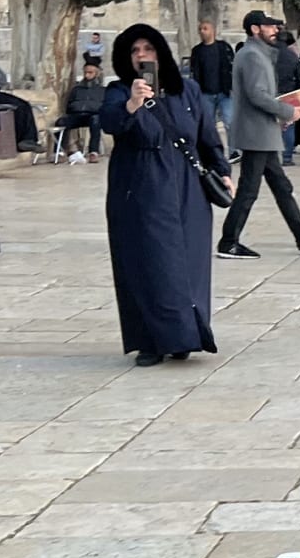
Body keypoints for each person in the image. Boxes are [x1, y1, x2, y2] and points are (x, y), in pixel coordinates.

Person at [100, 24, 233, 367]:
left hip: (187, 188)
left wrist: (223, 171)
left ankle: (185, 335)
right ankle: (151, 341)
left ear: (161, 53)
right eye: (134, 51)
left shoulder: (188, 91)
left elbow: (205, 136)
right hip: (141, 187)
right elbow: (109, 122)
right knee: (149, 263)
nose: (141, 56)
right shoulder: (119, 92)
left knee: (188, 266)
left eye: (148, 49)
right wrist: (133, 102)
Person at [216, 11, 300, 260]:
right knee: (249, 189)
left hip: (263, 131)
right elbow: (257, 95)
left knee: (281, 186)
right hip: (256, 133)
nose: (275, 31)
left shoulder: (259, 54)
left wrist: (278, 117)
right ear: (255, 29)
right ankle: (228, 241)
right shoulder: (252, 55)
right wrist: (287, 111)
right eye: (270, 27)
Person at [188, 20, 235, 156]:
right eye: (200, 29)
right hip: (205, 93)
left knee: (229, 122)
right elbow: (194, 73)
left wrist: (232, 86)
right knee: (207, 126)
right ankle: (212, 152)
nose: (202, 31)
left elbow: (232, 67)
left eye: (205, 28)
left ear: (213, 30)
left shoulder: (223, 47)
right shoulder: (197, 51)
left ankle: (233, 151)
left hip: (224, 92)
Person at [54, 59, 108, 161]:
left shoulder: (102, 90)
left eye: (90, 72)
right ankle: (59, 152)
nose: (87, 75)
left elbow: (105, 107)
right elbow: (69, 105)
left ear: (96, 74)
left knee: (96, 121)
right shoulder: (76, 89)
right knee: (61, 121)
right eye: (85, 72)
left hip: (92, 116)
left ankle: (93, 152)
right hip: (77, 116)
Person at [273, 31, 300, 166]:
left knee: (270, 125)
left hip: (271, 92)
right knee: (288, 125)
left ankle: (272, 155)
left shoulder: (267, 54)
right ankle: (287, 156)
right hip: (289, 94)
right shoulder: (292, 56)